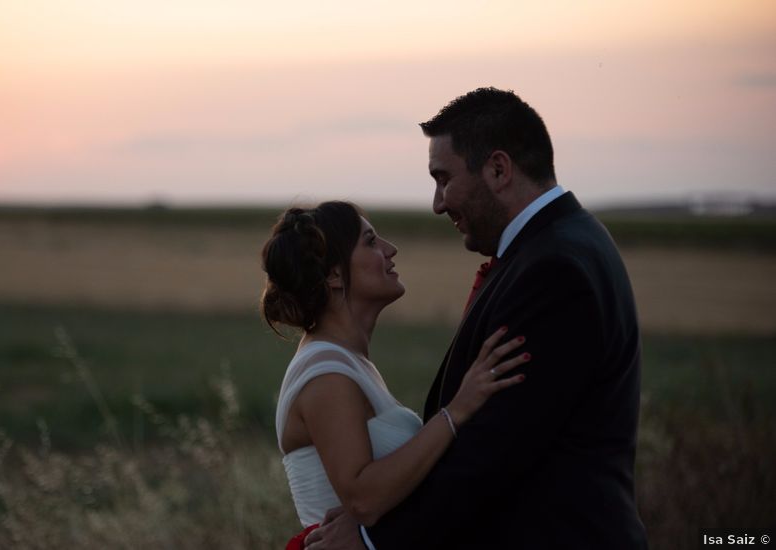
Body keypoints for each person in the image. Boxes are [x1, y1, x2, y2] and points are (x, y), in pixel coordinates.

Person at [304, 88, 648, 549]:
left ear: (499, 169)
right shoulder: (566, 243)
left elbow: (498, 450)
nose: (438, 203)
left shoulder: (554, 270)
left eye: (443, 179)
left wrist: (373, 539)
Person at [261, 201, 530, 547]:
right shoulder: (325, 374)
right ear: (334, 275)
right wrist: (456, 411)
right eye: (371, 242)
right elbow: (362, 498)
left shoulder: (348, 362)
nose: (391, 249)